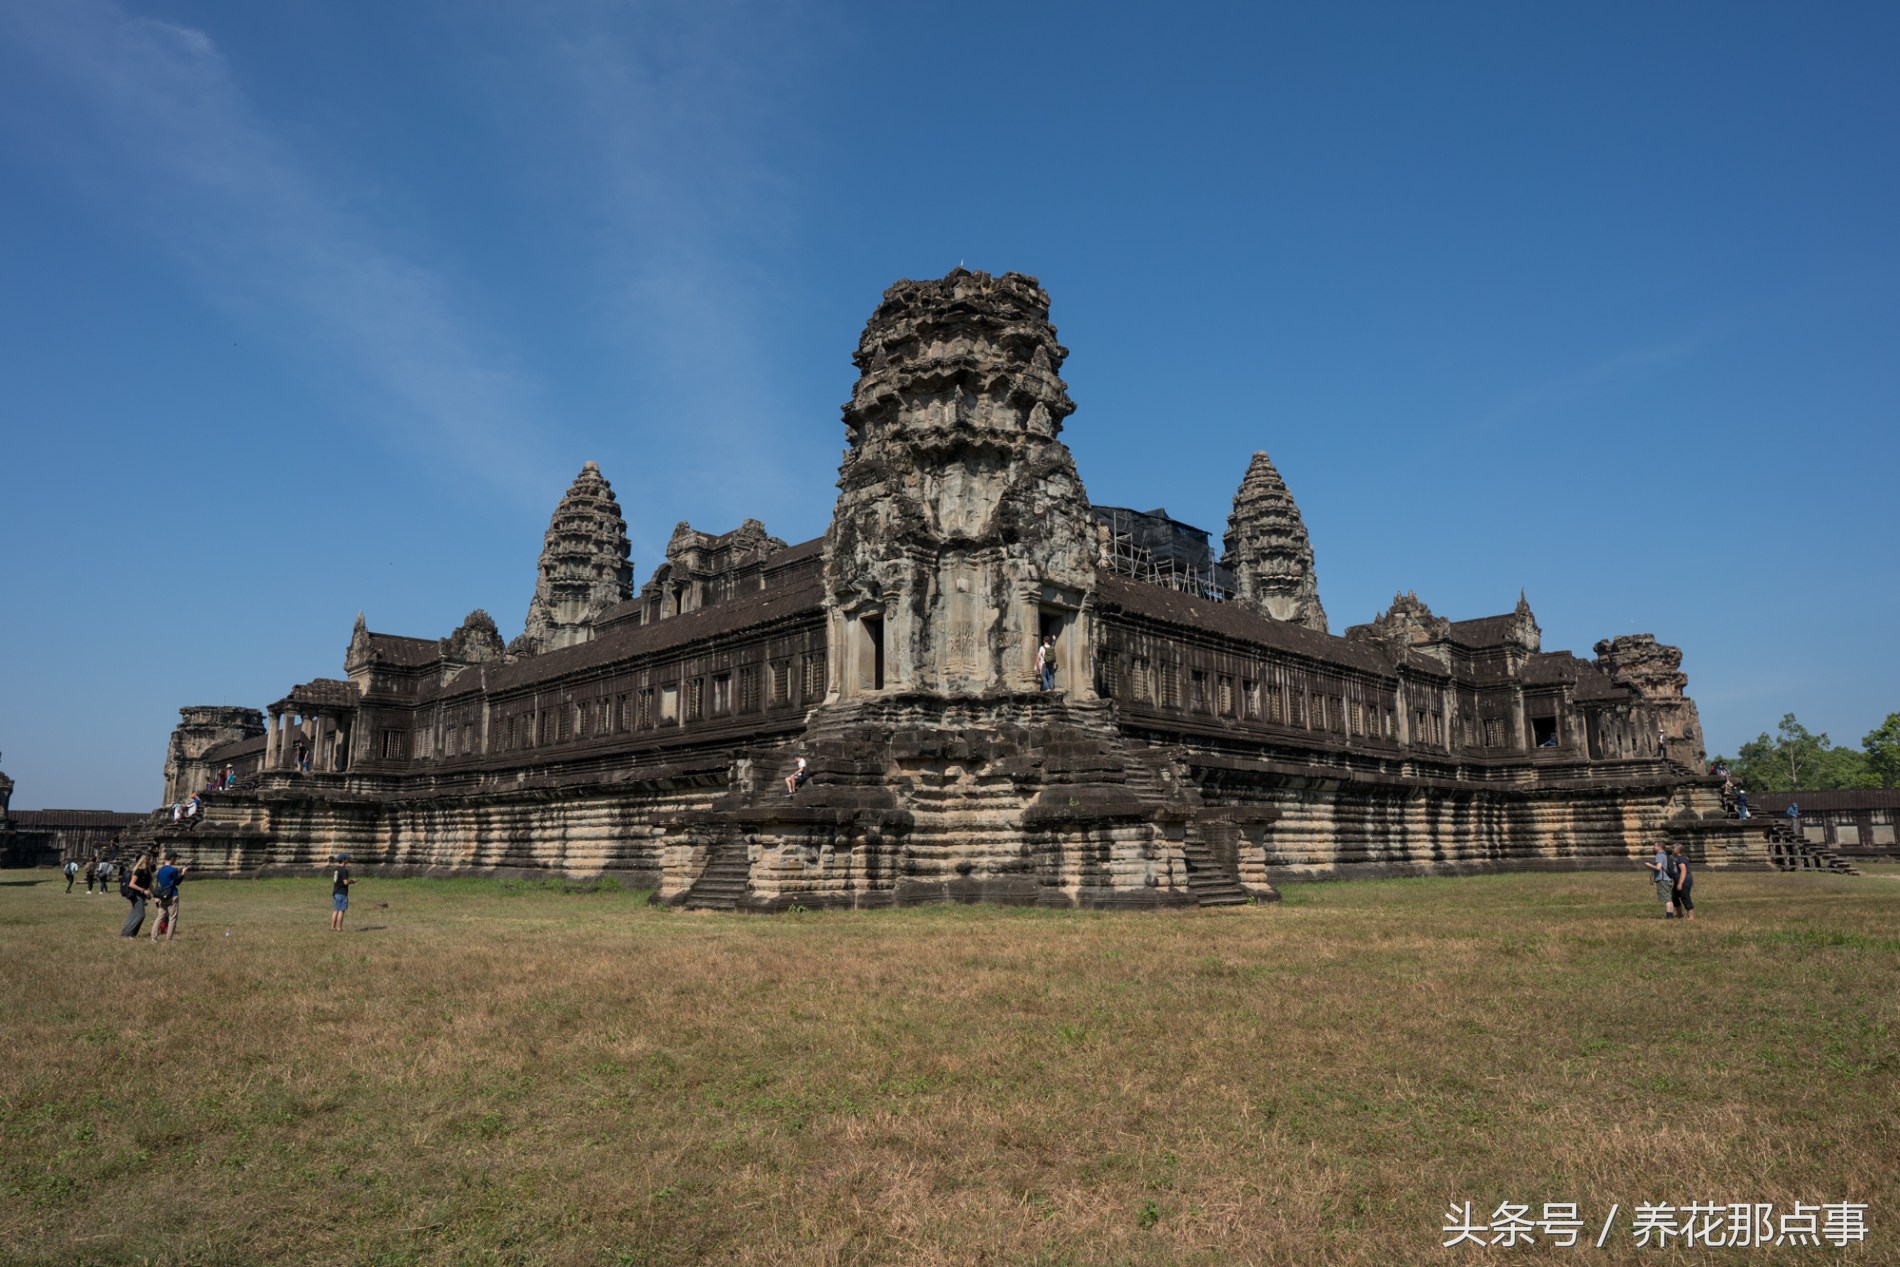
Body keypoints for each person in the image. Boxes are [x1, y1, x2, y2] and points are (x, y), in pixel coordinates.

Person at [151, 851, 187, 943]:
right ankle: (169, 939)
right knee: (172, 918)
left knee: (159, 918)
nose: (175, 860)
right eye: (175, 859)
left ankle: (153, 938)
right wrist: (183, 874)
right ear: (172, 859)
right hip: (172, 895)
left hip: (162, 896)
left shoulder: (160, 870)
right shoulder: (173, 870)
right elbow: (177, 882)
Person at [121, 852, 156, 938]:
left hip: (142, 895)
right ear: (146, 859)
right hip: (136, 895)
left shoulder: (147, 871)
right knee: (141, 915)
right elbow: (131, 884)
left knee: (133, 915)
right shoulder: (139, 870)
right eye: (151, 858)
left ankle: (129, 934)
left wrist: (156, 894)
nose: (153, 860)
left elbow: (150, 884)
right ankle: (127, 934)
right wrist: (143, 890)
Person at [1647, 842, 1675, 918]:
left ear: (1659, 847)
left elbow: (1658, 867)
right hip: (1668, 878)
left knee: (1666, 898)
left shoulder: (1659, 855)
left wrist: (1649, 865)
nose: (1653, 847)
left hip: (1663, 879)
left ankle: (1669, 915)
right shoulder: (1665, 854)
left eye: (1655, 846)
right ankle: (1670, 914)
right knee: (1669, 897)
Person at [1671, 844, 1695, 921]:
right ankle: (1679, 914)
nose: (1672, 850)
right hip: (1679, 881)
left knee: (1685, 897)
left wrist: (1680, 883)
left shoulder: (1681, 859)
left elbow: (1683, 871)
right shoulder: (1678, 859)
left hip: (1684, 881)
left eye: (1673, 848)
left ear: (1677, 850)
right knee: (1674, 896)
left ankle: (1691, 917)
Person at [330, 853, 353, 931]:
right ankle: (339, 928)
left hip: (336, 891)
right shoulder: (344, 870)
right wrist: (352, 881)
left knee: (336, 910)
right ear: (343, 860)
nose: (347, 860)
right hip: (342, 892)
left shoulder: (336, 869)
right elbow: (345, 882)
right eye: (346, 859)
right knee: (341, 910)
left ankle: (332, 927)